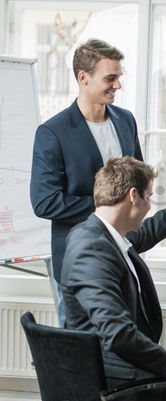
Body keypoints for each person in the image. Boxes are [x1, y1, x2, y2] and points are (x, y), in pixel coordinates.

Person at [61, 152, 166, 401]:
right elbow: (117, 333)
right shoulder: (91, 248)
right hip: (114, 380)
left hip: (120, 367)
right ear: (133, 196)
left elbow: (151, 230)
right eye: (149, 197)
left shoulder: (105, 236)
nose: (149, 206)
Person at [30, 39, 143, 326]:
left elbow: (138, 181)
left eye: (119, 77)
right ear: (84, 78)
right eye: (110, 78)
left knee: (125, 342)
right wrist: (105, 211)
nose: (118, 85)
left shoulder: (126, 120)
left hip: (125, 252)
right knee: (81, 348)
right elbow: (44, 202)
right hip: (77, 257)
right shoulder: (52, 132)